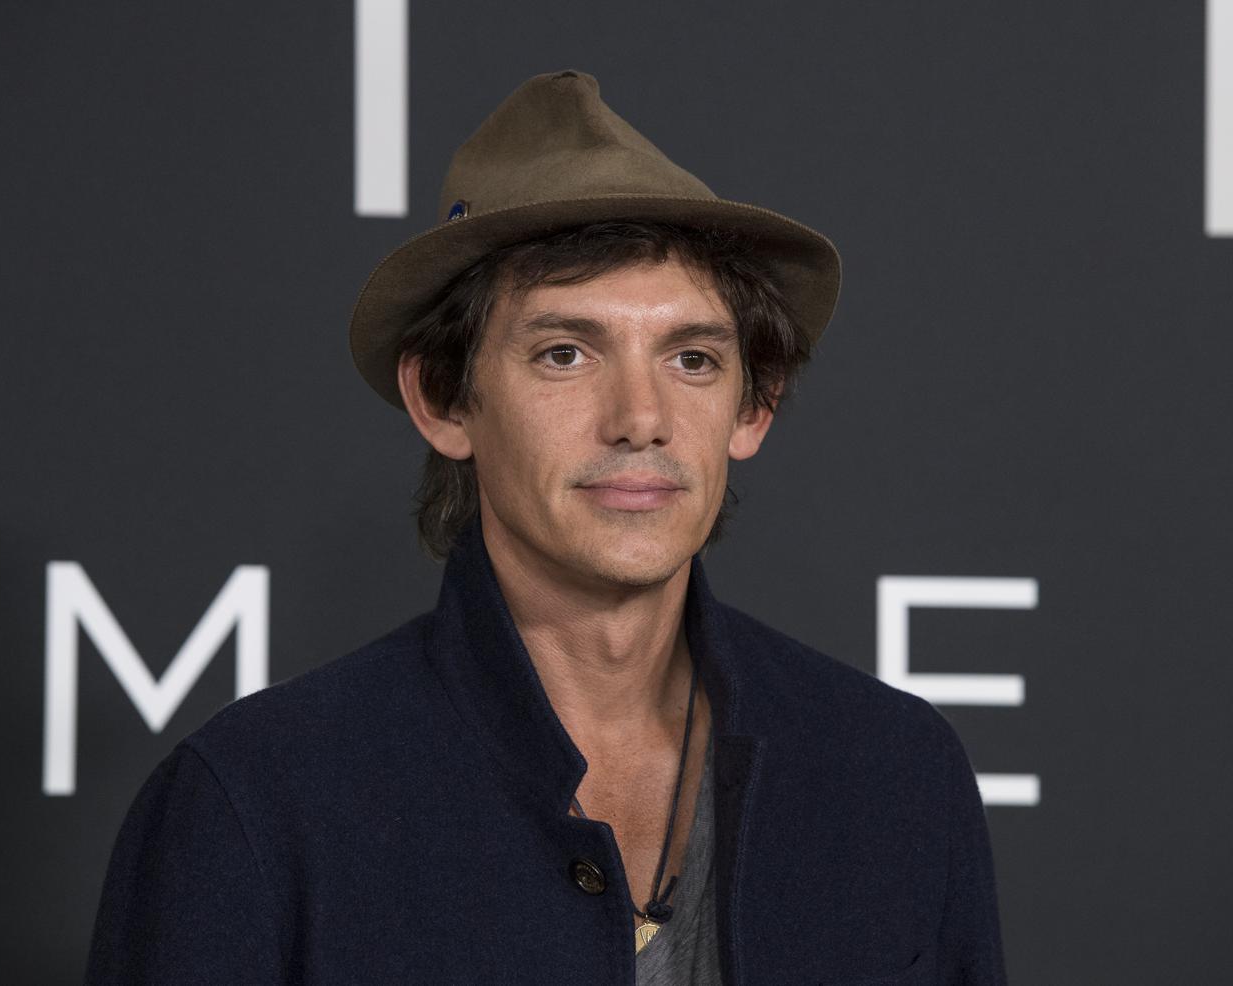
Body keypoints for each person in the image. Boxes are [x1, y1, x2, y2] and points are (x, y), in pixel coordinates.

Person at [84, 70, 1007, 985]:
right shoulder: (256, 800)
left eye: (692, 358)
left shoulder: (893, 772)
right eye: (565, 353)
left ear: (752, 407)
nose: (640, 417)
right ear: (444, 399)